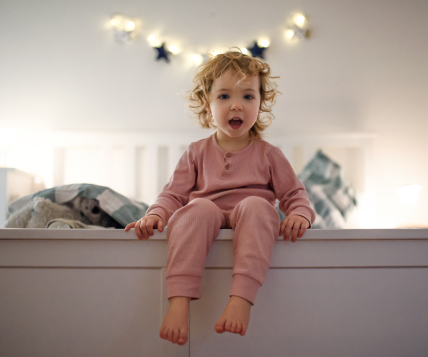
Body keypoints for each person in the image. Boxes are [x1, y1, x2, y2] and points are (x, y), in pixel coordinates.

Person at [125, 49, 315, 346]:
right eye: (224, 96)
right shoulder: (196, 151)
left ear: (261, 103)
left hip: (251, 218)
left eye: (248, 97)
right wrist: (155, 215)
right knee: (196, 207)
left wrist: (300, 214)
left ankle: (241, 298)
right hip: (206, 217)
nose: (236, 105)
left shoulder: (269, 154)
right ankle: (178, 301)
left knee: (258, 206)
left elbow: (294, 194)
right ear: (207, 102)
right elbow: (173, 194)